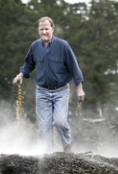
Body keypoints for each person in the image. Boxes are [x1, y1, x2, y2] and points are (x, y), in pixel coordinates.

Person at [13, 16, 85, 153]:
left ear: (53, 28)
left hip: (61, 91)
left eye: (47, 29)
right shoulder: (35, 46)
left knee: (59, 121)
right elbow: (28, 64)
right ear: (38, 30)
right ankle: (48, 156)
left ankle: (68, 148)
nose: (44, 32)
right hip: (42, 92)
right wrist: (21, 74)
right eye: (41, 29)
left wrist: (79, 88)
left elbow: (74, 67)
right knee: (44, 127)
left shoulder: (63, 46)